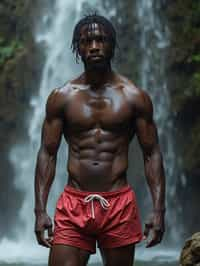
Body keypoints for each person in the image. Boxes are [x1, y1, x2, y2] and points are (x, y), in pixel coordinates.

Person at [34, 14, 166, 266]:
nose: (94, 46)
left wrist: (159, 211)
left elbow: (152, 154)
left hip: (118, 205)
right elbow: (47, 153)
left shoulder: (134, 97)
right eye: (87, 41)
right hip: (74, 203)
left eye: (101, 39)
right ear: (78, 47)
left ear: (112, 44)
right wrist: (40, 211)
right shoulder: (62, 97)